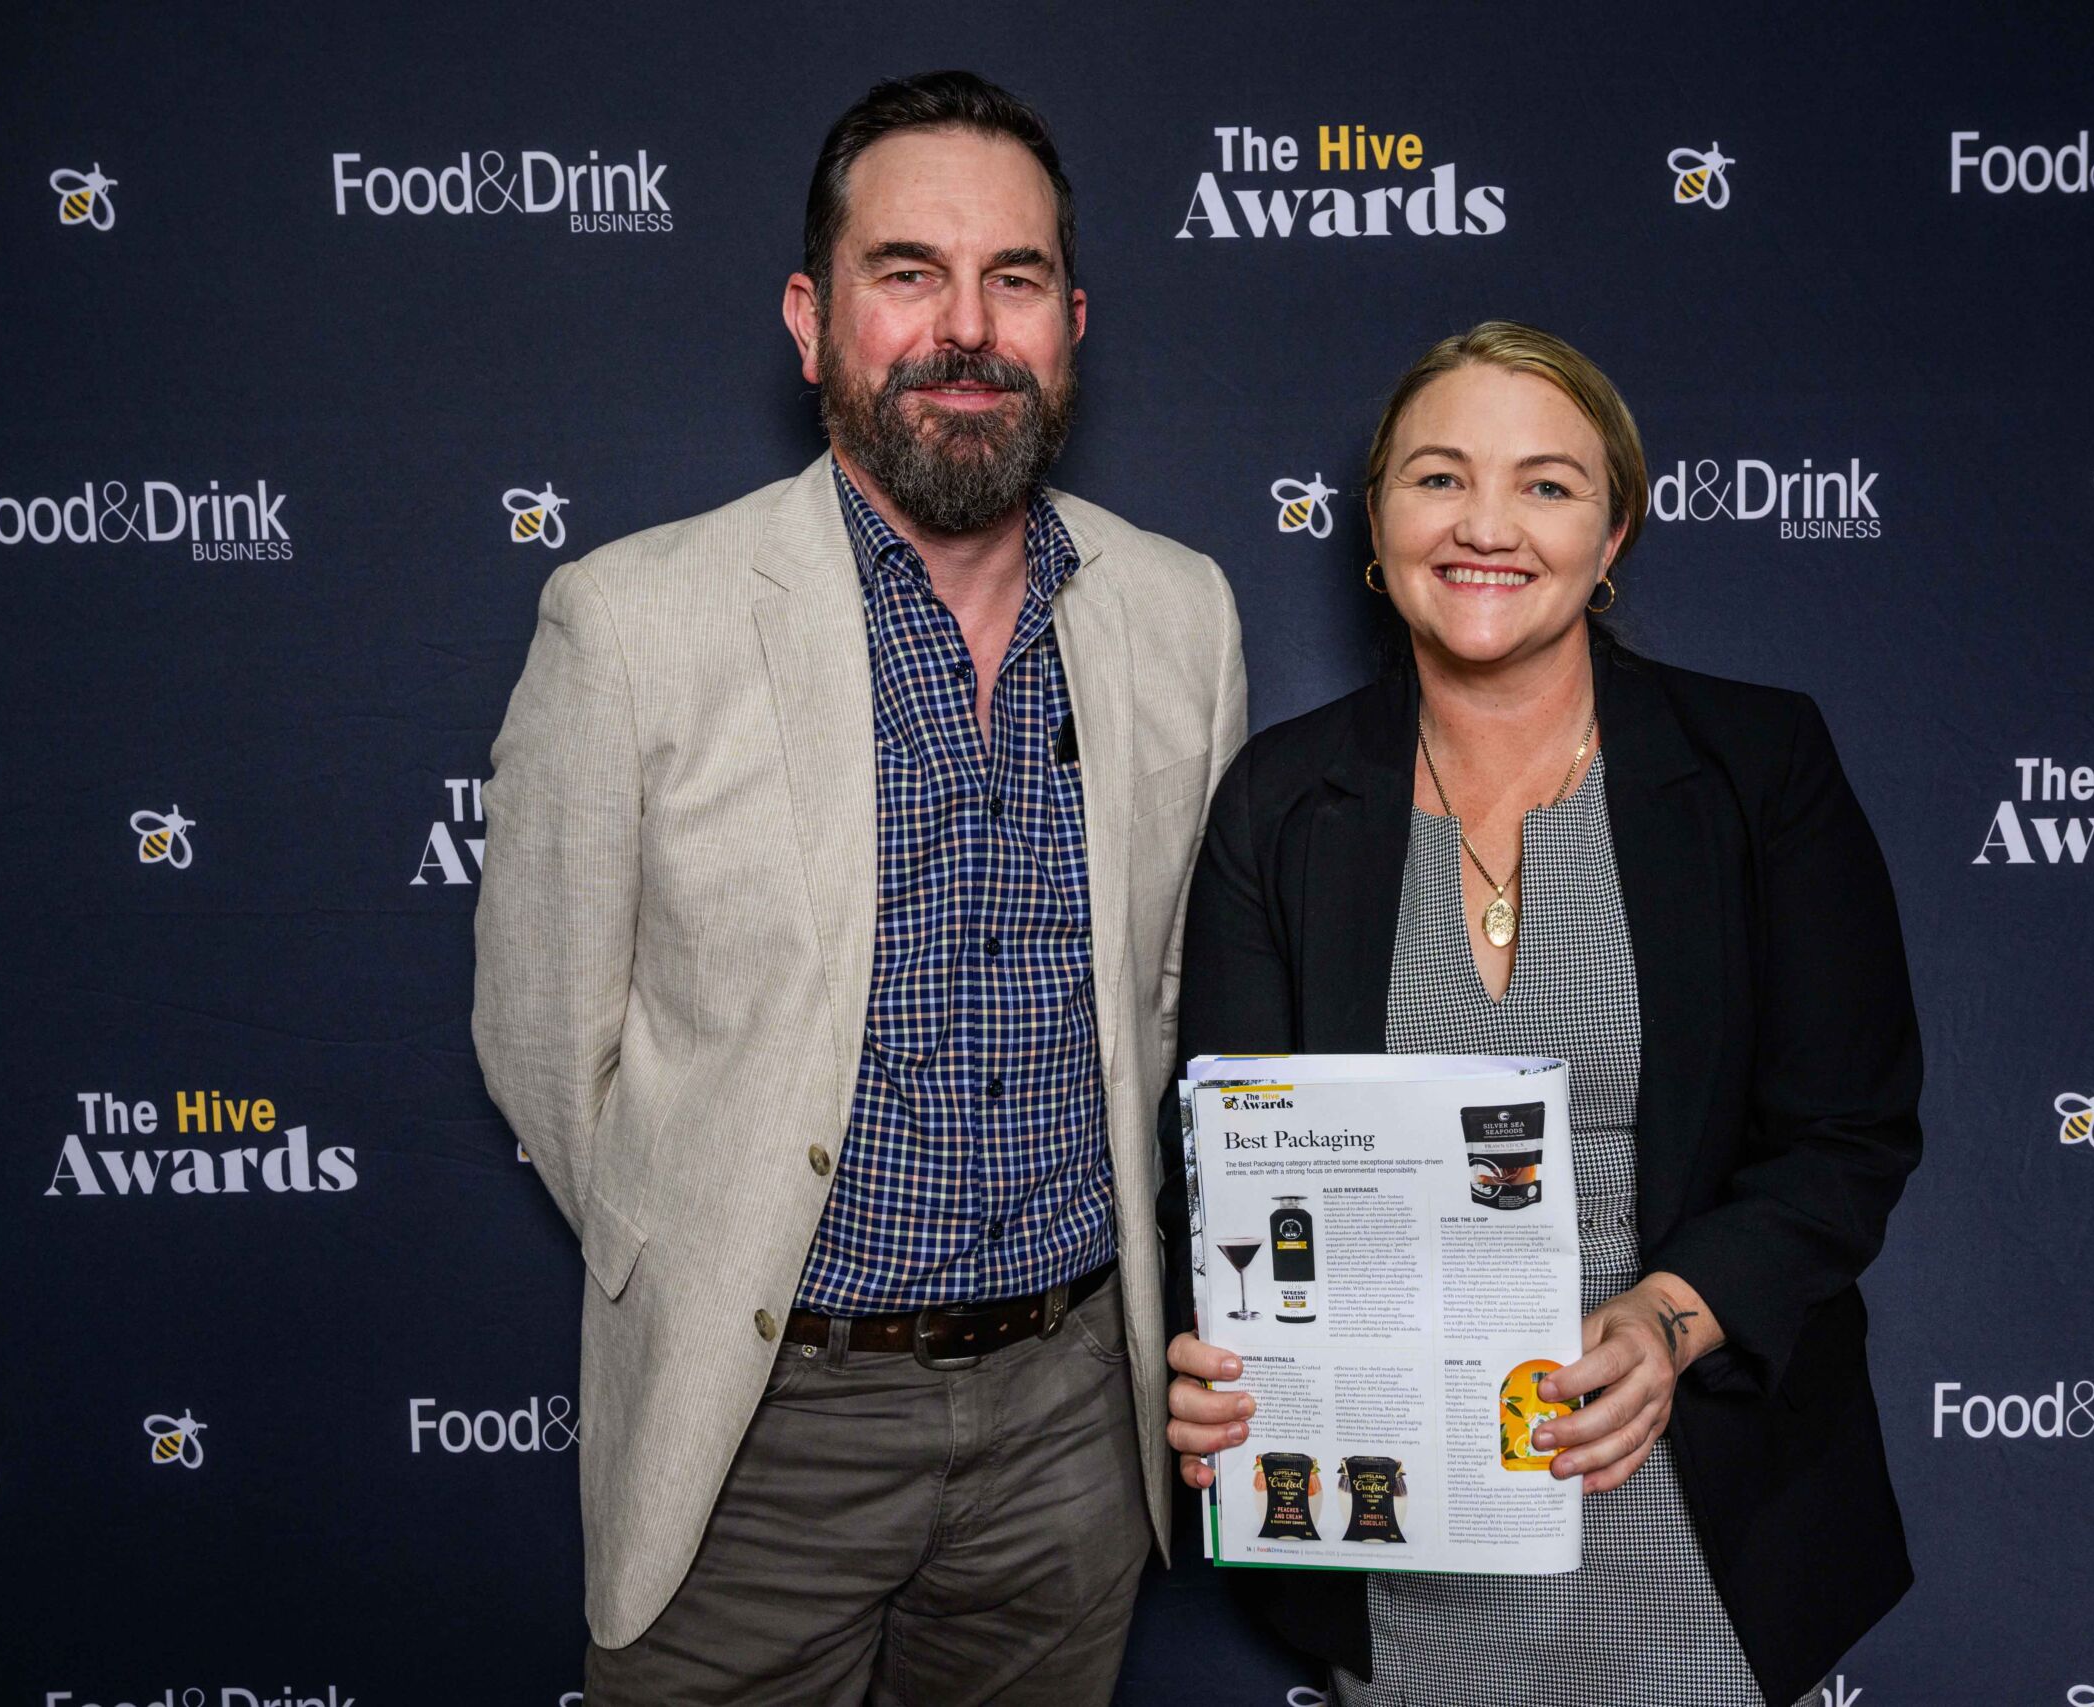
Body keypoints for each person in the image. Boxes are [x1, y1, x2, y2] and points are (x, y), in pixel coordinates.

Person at [474, 70, 1246, 1705]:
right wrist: (711, 1244)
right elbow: (544, 1042)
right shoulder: (632, 622)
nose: (965, 328)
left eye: (1014, 279)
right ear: (811, 319)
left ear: (1071, 324)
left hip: (1072, 1426)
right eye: (908, 273)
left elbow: (1174, 994)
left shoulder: (1181, 613)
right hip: (761, 1432)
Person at [1163, 322, 1919, 1707]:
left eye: (1548, 485)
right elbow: (1223, 1162)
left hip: (1693, 1501)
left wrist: (1671, 1321)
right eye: (1439, 478)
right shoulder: (1280, 800)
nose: (1487, 526)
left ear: (1613, 531)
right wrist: (1225, 1353)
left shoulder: (1759, 766)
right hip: (1394, 1502)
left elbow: (1847, 1136)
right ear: (1376, 521)